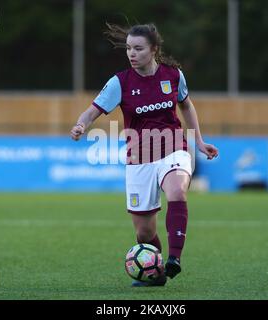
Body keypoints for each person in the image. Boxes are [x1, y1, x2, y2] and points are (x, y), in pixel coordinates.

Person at [70, 23, 218, 287]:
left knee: (177, 191)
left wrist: (199, 140)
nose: (131, 54)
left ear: (154, 50)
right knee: (144, 232)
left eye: (138, 48)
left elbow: (186, 104)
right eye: (128, 48)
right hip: (139, 158)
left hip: (174, 148)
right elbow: (91, 111)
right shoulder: (120, 82)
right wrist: (82, 125)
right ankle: (157, 274)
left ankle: (174, 258)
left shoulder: (173, 75)